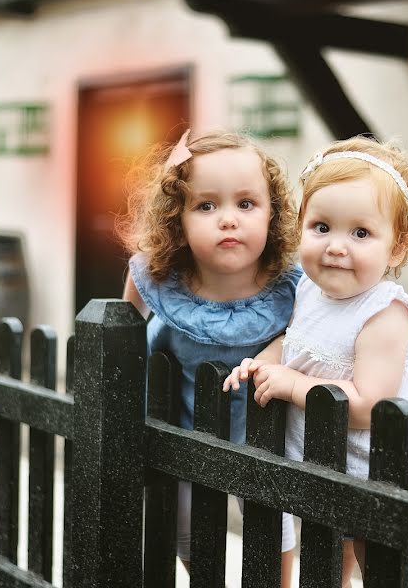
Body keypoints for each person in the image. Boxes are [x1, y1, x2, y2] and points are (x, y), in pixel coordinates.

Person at [223, 136, 408, 588]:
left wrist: (290, 386)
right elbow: (294, 343)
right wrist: (260, 362)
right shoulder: (309, 288)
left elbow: (367, 406)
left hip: (386, 481)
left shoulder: (385, 314)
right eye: (322, 227)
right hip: (328, 470)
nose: (336, 247)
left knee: (387, 577)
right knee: (327, 574)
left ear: (397, 248)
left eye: (361, 233)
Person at [118, 129, 302, 585]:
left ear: (272, 214)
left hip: (262, 433)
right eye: (206, 206)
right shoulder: (161, 279)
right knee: (182, 519)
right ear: (176, 218)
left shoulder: (292, 287)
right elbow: (119, 330)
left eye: (246, 204)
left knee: (270, 518)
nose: (228, 220)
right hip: (181, 425)